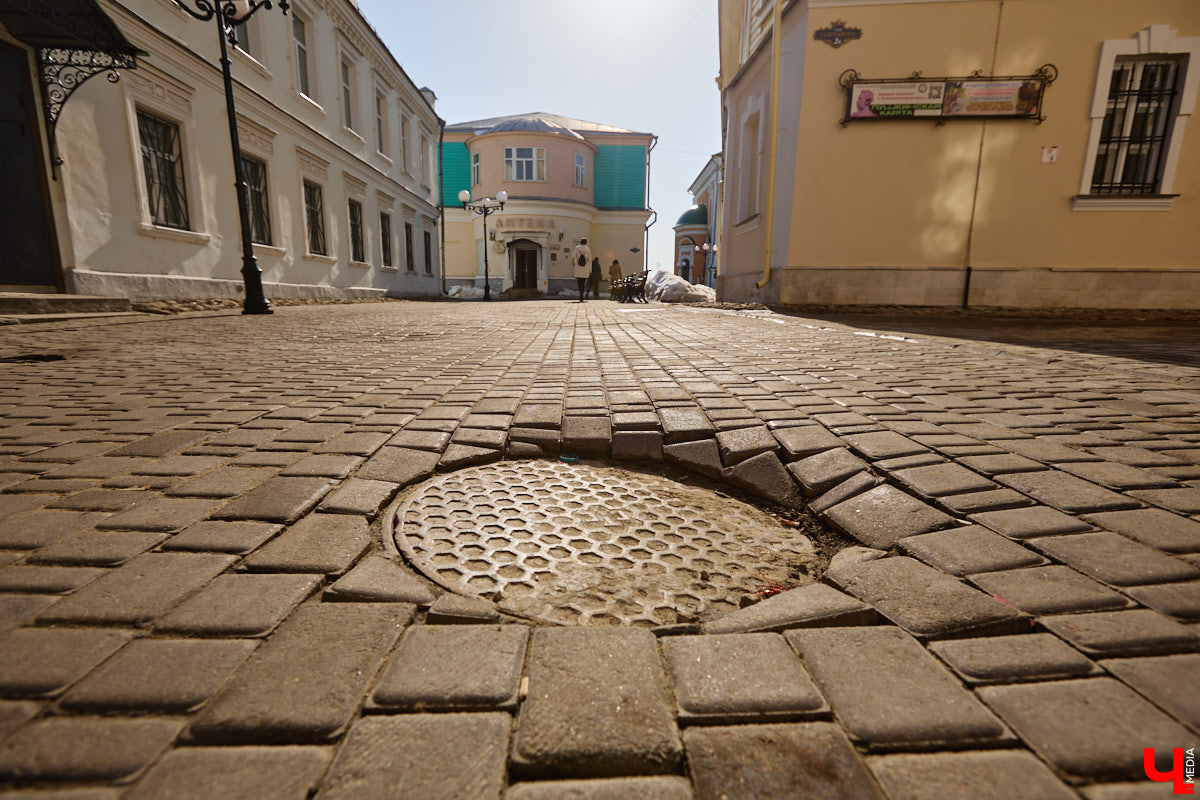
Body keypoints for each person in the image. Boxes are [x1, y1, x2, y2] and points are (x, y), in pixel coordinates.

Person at [572, 238, 592, 302]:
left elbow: (573, 256)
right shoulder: (588, 249)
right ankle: (582, 294)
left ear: (580, 242)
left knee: (579, 282)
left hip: (578, 267)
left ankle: (580, 293)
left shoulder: (577, 248)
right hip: (585, 268)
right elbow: (590, 260)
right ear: (586, 243)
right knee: (583, 282)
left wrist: (573, 263)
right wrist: (590, 270)